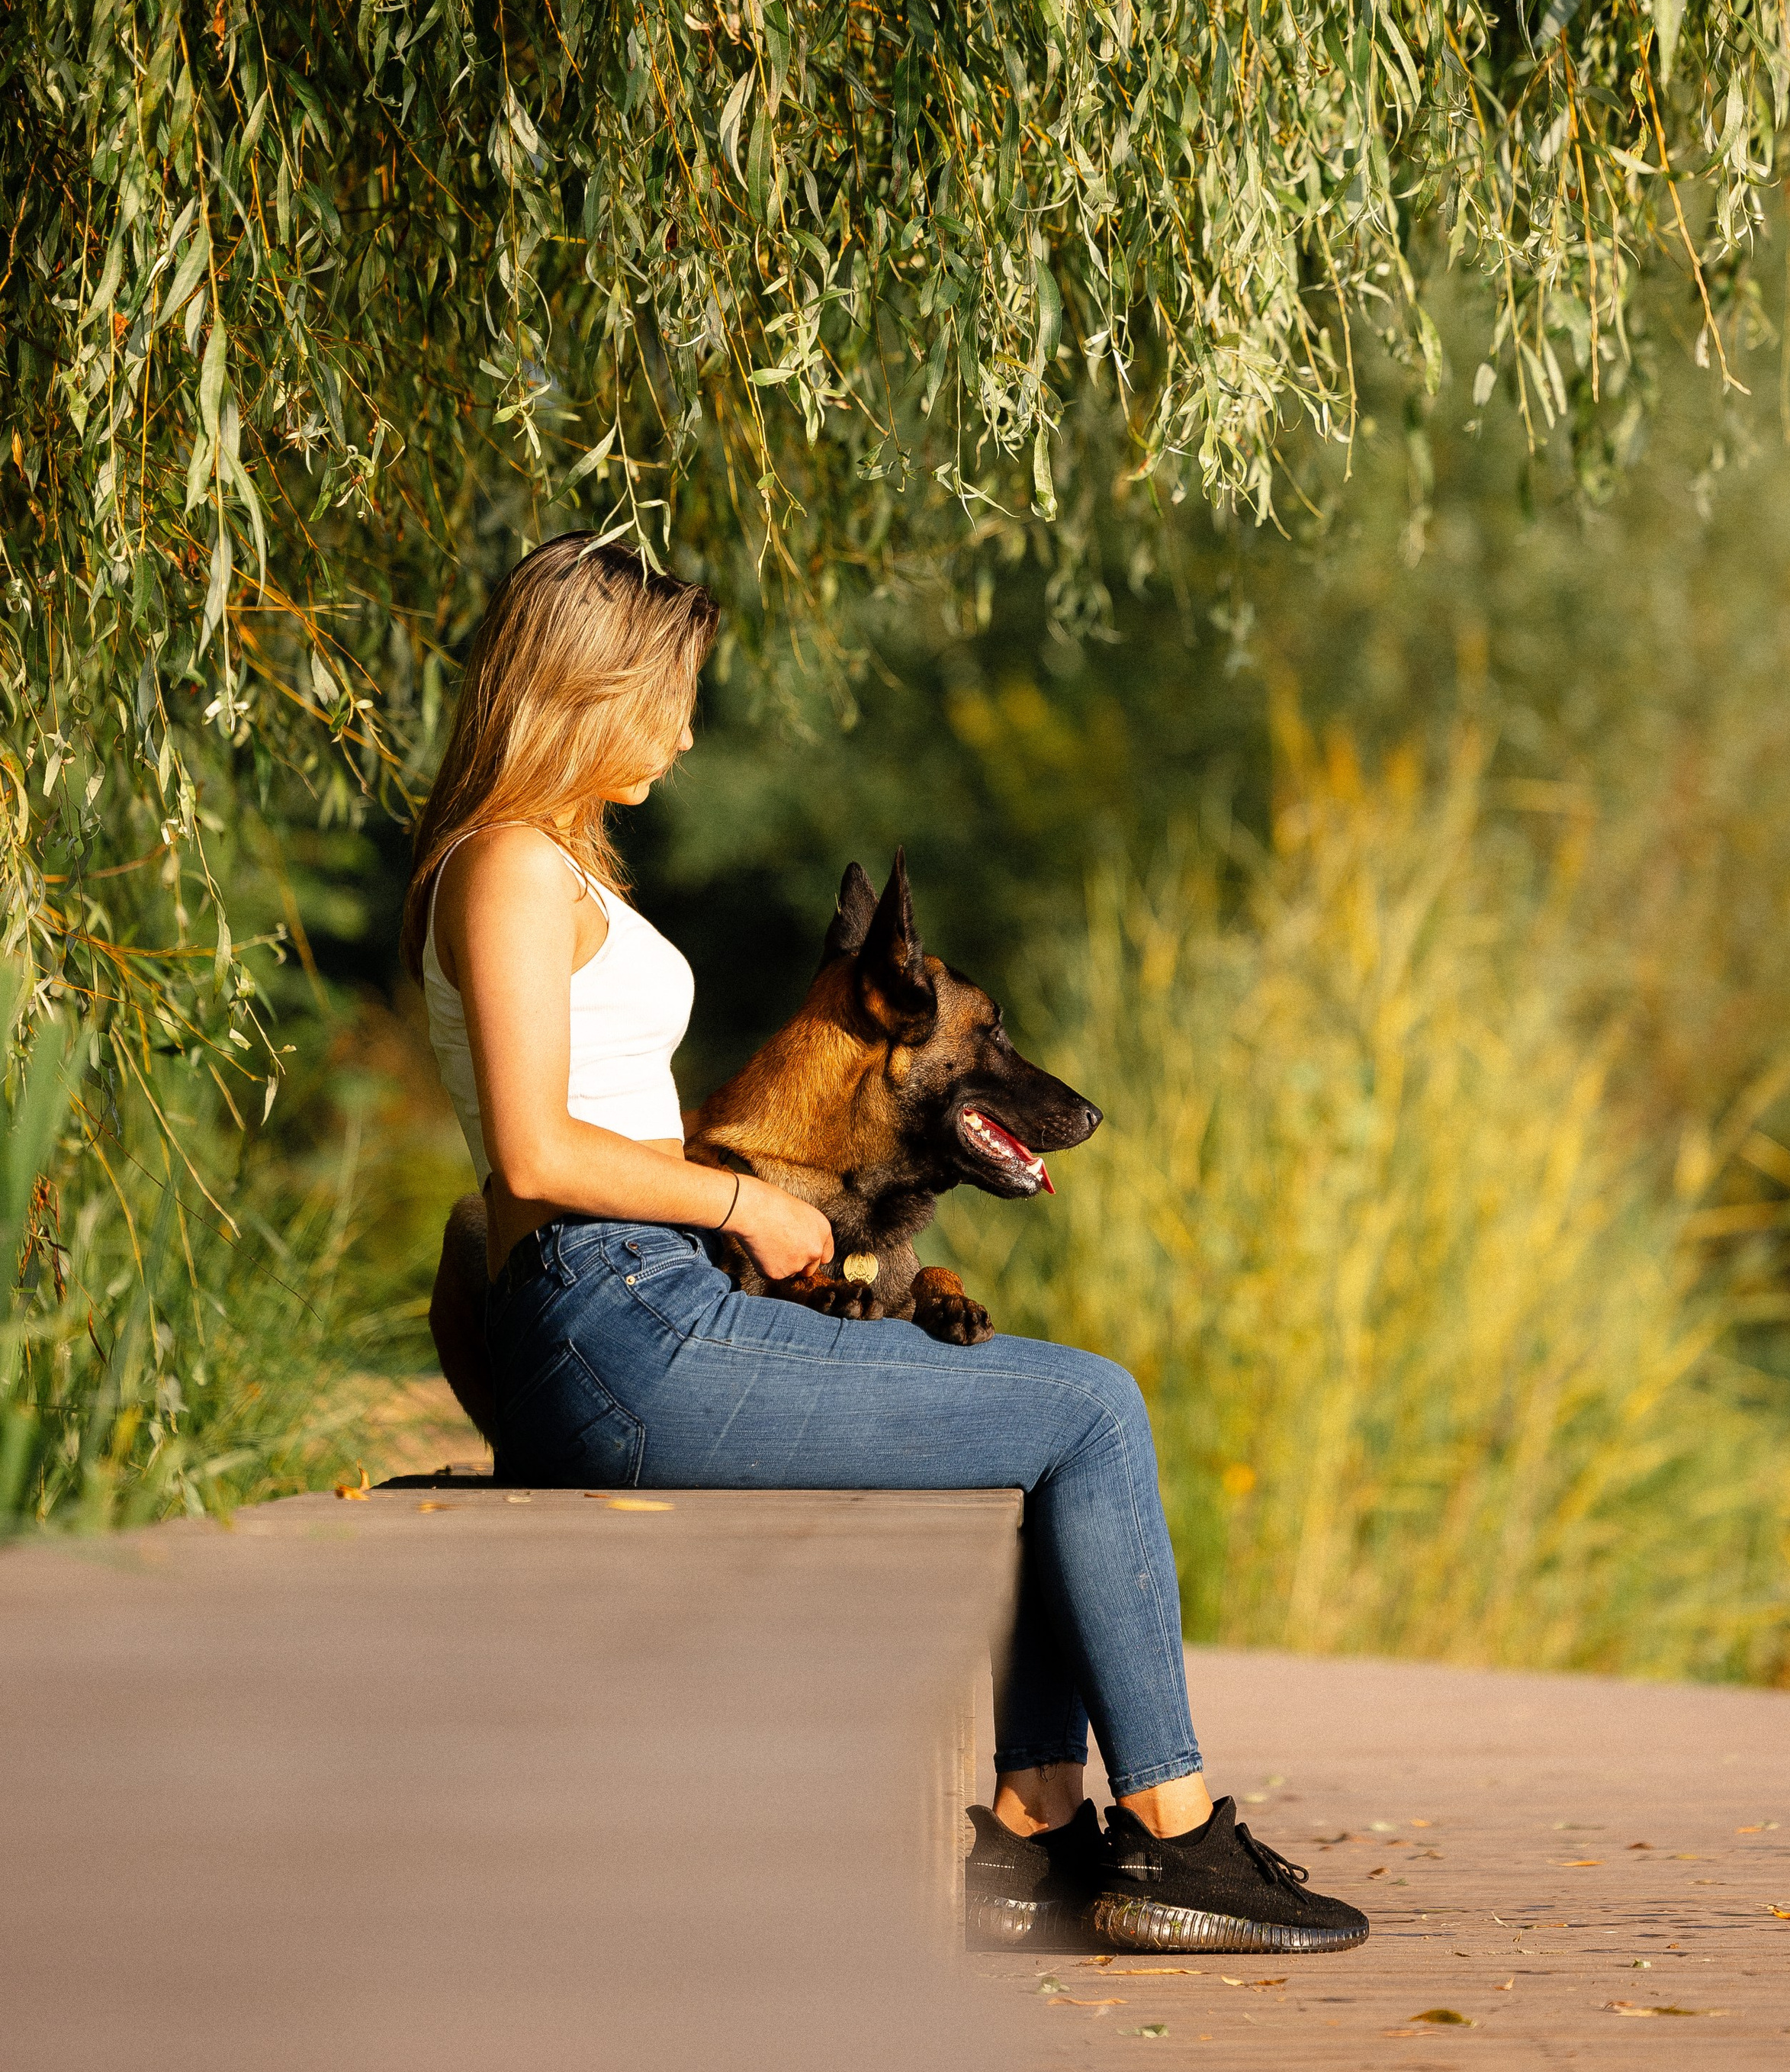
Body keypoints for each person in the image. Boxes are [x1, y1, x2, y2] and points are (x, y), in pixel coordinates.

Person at [406, 532, 1367, 1958]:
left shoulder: (548, 867)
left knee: (1042, 1420)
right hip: (616, 1315)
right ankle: (1173, 1838)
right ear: (588, 689)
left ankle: (1036, 1833)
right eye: (669, 698)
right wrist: (749, 1206)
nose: (684, 732)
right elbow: (534, 1154)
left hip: (635, 1305)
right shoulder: (504, 867)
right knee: (1092, 1407)